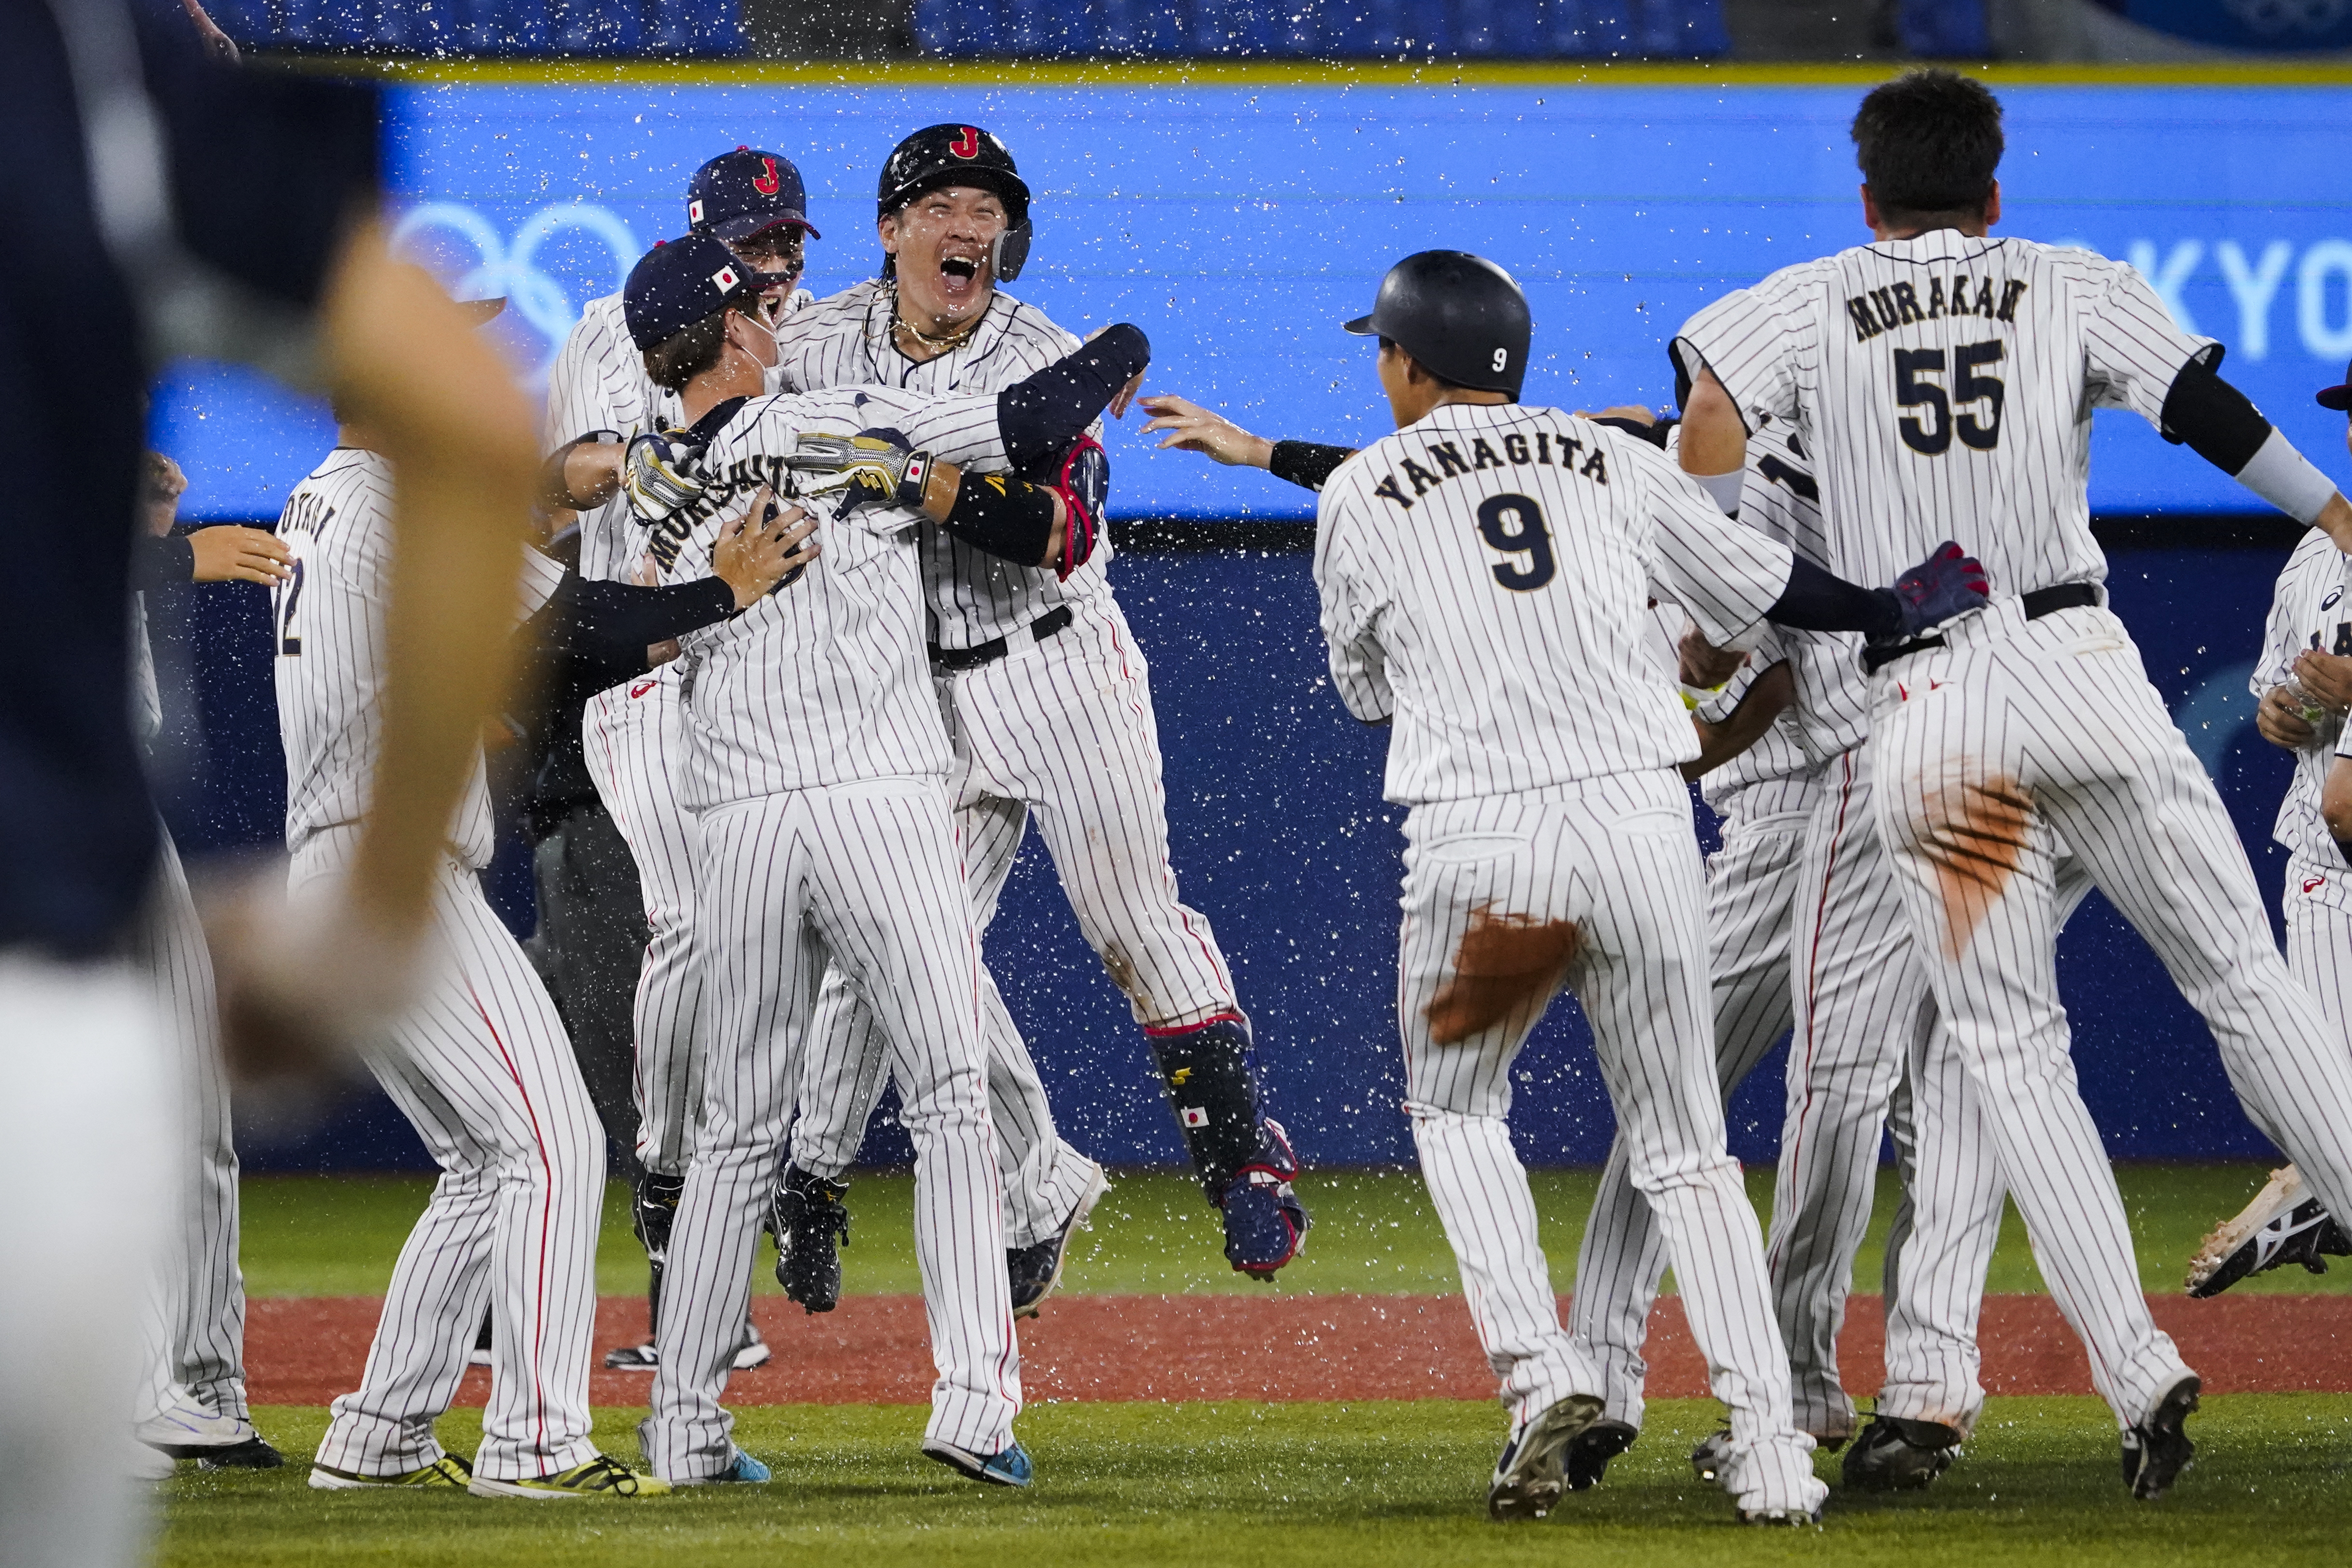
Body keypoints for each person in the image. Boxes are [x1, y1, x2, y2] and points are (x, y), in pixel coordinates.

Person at [1671, 67, 2352, 1500]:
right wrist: (2335, 510)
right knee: (2242, 981)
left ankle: (2133, 1365)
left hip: (1931, 713)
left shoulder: (1797, 299)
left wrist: (1722, 575)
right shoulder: (2064, 278)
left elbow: (1709, 409)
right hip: (2082, 669)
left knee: (2008, 1055)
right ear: (1992, 191)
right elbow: (2204, 410)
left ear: (1865, 196)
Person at [1311, 248, 1988, 1524]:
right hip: (1637, 824)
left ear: (1405, 360)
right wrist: (1891, 606)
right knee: (1684, 1148)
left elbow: (1363, 688)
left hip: (1483, 834)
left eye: (1382, 351)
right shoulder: (1615, 459)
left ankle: (1537, 1376)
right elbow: (1765, 591)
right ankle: (1772, 1451)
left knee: (1457, 1113)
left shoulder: (1360, 487)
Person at [3, 0, 543, 1559]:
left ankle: (199, 1384)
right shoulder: (88, 61)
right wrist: (368, 923)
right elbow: (469, 416)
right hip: (32, 993)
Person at [607, 232, 1150, 1486]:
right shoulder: (818, 425)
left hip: (732, 817)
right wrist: (1116, 347)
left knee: (737, 1129)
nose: (780, 319)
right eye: (762, 309)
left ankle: (685, 1425)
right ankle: (972, 1407)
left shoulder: (646, 469)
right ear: (737, 333)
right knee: (954, 1098)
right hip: (872, 795)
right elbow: (1021, 426)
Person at [767, 124, 1305, 1311]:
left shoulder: (1042, 351)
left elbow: (1055, 534)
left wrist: (907, 476)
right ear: (890, 226)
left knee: (1129, 918)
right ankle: (870, 1180)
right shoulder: (811, 343)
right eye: (944, 205)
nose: (970, 228)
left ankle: (1238, 1161)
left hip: (1056, 663)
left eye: (988, 208)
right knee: (898, 953)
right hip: (913, 686)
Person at [278, 289, 804, 1499]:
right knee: (555, 1148)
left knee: (486, 1164)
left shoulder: (324, 496)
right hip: (387, 874)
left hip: (344, 867)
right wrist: (719, 591)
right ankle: (534, 1446)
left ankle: (379, 1435)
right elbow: (583, 627)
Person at [538, 144, 818, 1371]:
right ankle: (675, 1230)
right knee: (683, 941)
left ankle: (763, 1209)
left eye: (790, 236)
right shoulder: (620, 326)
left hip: (780, 676)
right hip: (645, 664)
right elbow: (556, 479)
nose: (779, 255)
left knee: (807, 951)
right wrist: (627, 460)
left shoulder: (809, 336)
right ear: (704, 238)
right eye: (756, 237)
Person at [128, 455, 294, 1473]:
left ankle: (199, 1381)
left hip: (112, 814)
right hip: (44, 815)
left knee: (196, 1112)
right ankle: (138, 1390)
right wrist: (166, 555)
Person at [2190, 358, 2352, 1296]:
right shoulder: (2314, 556)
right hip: (2325, 866)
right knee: (2324, 1097)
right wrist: (2284, 715)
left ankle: (2306, 1197)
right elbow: (2270, 701)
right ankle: (2312, 1187)